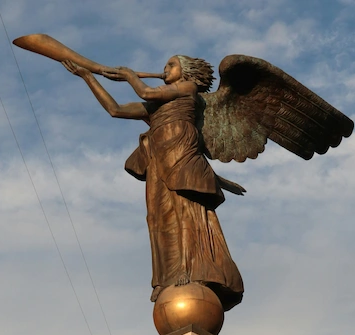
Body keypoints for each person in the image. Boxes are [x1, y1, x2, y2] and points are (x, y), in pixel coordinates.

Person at [63, 56, 243, 311]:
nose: (165, 69)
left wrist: (129, 75)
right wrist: (88, 77)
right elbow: (116, 110)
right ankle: (164, 277)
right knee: (157, 218)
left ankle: (190, 268)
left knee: (185, 213)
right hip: (158, 160)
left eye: (171, 65)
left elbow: (146, 91)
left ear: (187, 72)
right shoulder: (156, 107)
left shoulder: (188, 88)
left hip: (182, 157)